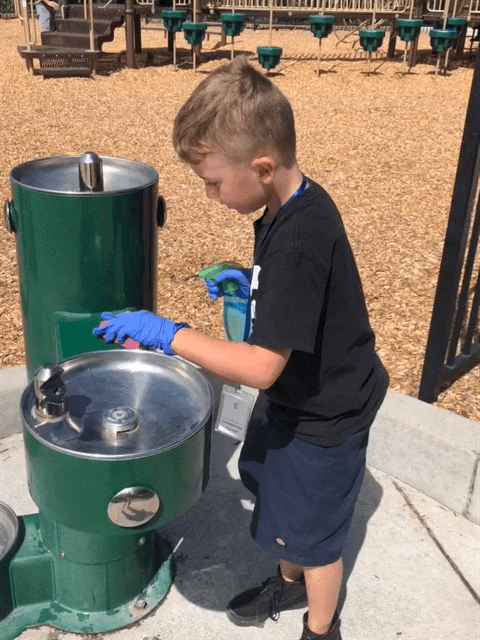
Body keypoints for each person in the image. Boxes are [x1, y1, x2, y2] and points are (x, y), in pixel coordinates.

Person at [93, 56, 389, 640]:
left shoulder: (299, 240)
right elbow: (293, 309)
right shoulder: (285, 205)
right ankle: (288, 580)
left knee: (315, 536)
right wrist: (248, 290)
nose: (210, 196)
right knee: (280, 499)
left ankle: (320, 626)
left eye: (213, 182)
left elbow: (260, 367)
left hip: (326, 415)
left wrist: (168, 333)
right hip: (297, 399)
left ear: (262, 166)